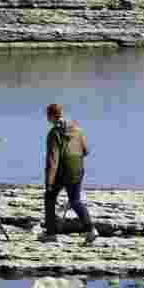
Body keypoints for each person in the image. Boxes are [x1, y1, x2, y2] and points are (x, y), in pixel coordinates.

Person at [41, 103, 97, 244]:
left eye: (48, 115)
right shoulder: (77, 129)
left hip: (62, 171)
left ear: (51, 116)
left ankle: (51, 233)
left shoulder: (54, 133)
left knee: (49, 196)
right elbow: (86, 150)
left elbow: (53, 160)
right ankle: (91, 230)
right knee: (75, 201)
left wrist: (49, 181)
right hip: (78, 169)